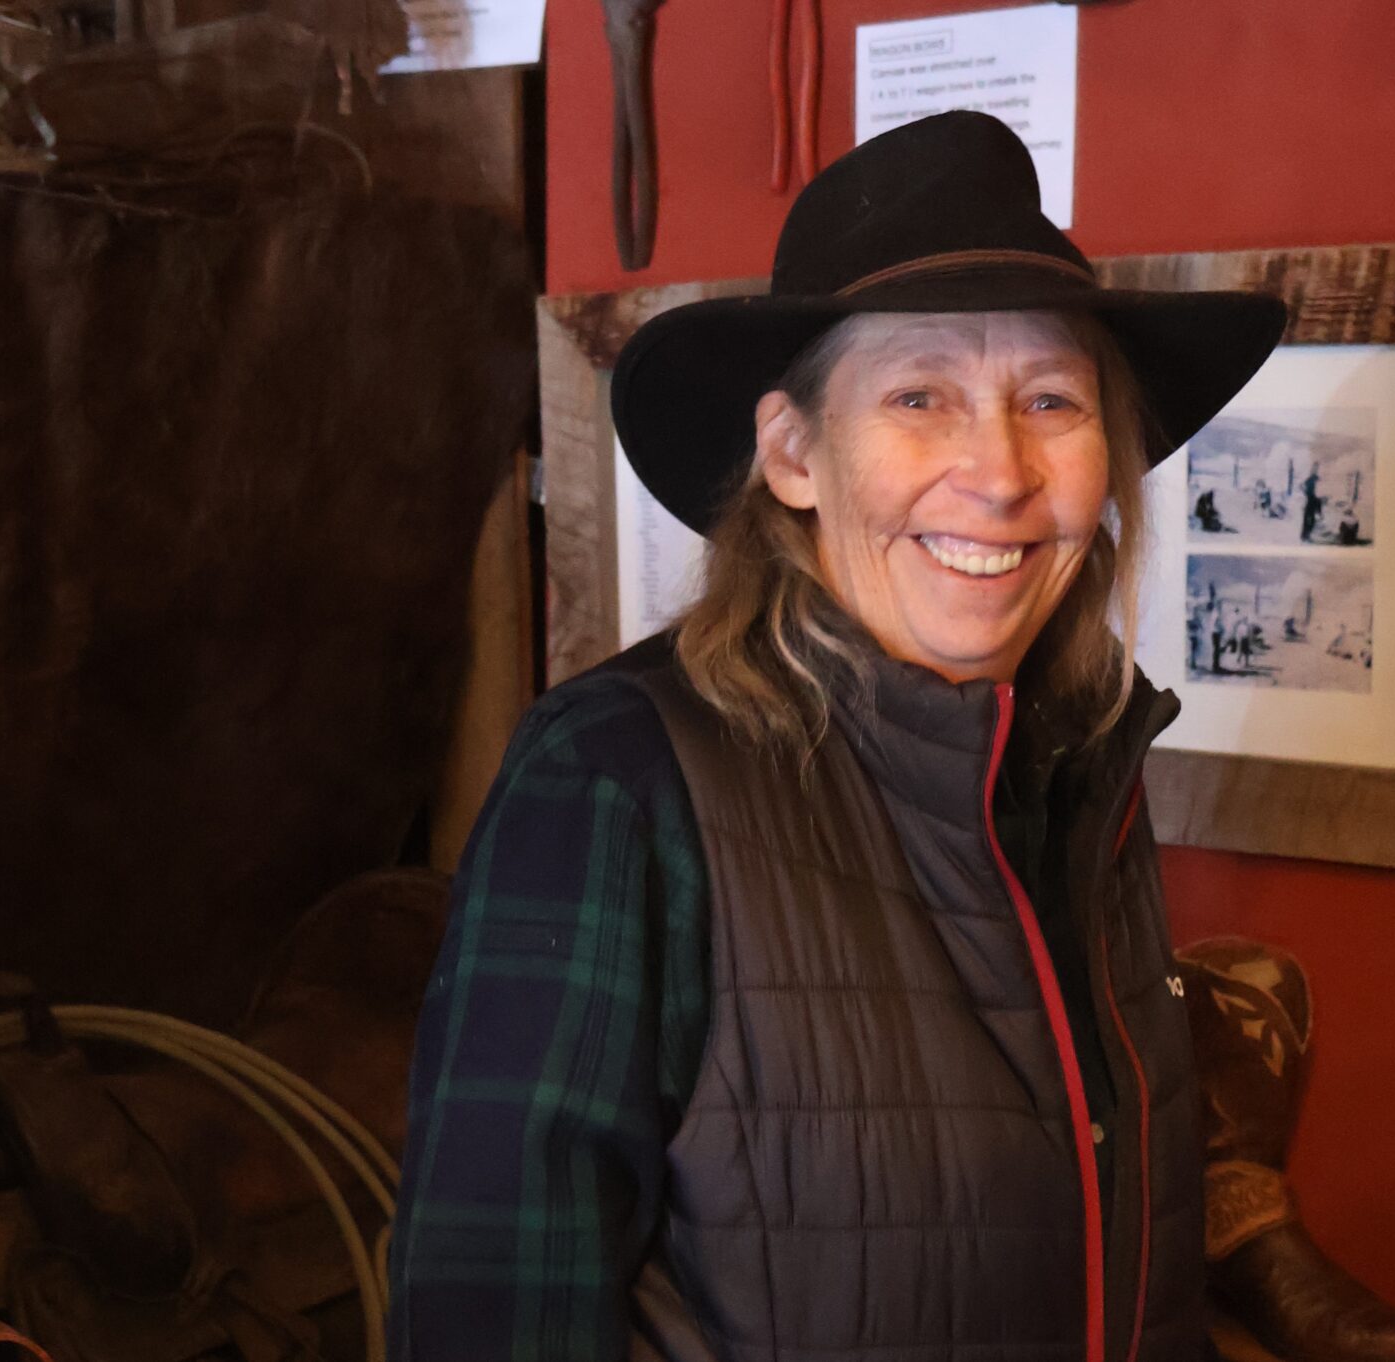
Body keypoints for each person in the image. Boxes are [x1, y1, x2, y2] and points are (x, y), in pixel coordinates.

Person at [389, 112, 1285, 1362]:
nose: (1001, 470)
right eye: (920, 395)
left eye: (1050, 398)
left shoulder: (1076, 769)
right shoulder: (611, 781)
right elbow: (488, 1318)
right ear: (794, 454)